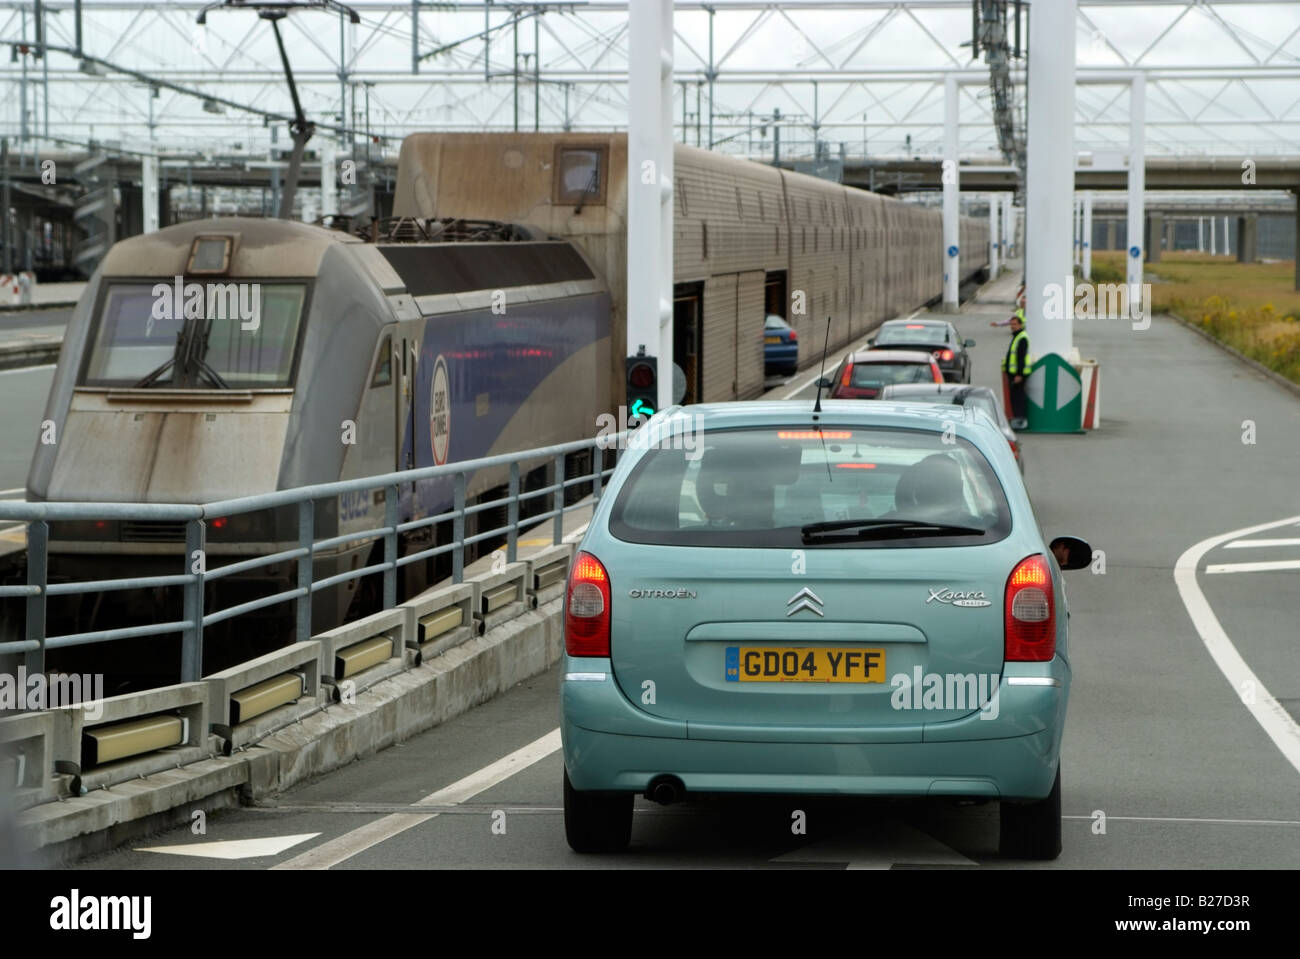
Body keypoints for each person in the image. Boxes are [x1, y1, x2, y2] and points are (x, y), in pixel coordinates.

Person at [1001, 312, 1033, 430]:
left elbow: (1021, 357)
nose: (1012, 326)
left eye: (1015, 324)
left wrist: (1019, 374)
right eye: (1011, 324)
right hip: (1013, 374)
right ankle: (1017, 420)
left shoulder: (1022, 337)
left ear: (1020, 325)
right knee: (1015, 398)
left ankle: (1020, 421)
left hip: (1018, 375)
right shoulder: (1017, 336)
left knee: (1018, 398)